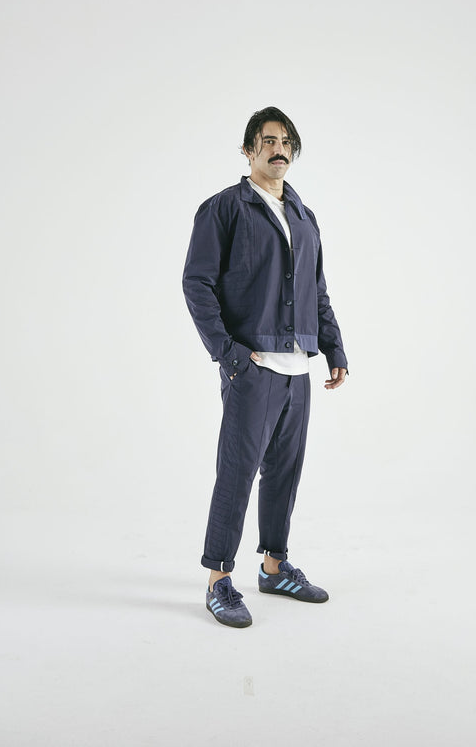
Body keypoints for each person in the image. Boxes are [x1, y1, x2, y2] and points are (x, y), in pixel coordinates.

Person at [182, 106, 348, 628]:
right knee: (237, 473)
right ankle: (218, 580)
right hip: (252, 368)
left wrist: (334, 348)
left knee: (284, 473)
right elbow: (197, 283)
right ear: (249, 149)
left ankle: (274, 568)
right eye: (268, 140)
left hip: (298, 368)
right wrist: (229, 354)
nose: (279, 149)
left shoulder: (303, 215)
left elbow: (316, 290)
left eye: (286, 142)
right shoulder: (224, 209)